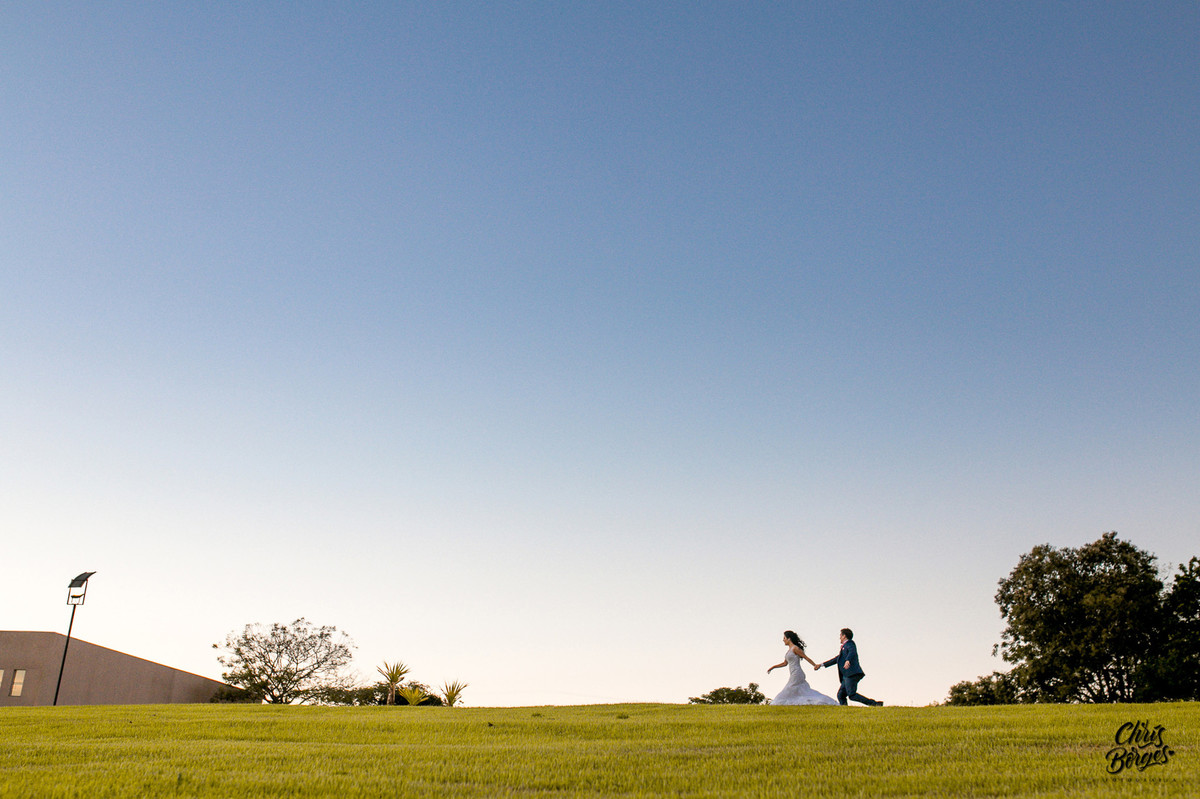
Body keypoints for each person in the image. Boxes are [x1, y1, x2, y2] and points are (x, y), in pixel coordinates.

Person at [814, 627, 883, 706]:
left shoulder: (850, 643)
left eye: (840, 635)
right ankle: (844, 709)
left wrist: (848, 660)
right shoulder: (844, 648)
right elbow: (836, 659)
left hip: (851, 674)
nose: (839, 637)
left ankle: (875, 704)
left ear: (844, 636)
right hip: (847, 675)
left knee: (852, 695)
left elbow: (852, 652)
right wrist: (821, 665)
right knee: (841, 695)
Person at [767, 630, 839, 705]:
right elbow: (785, 663)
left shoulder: (795, 648)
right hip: (793, 673)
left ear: (789, 639)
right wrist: (773, 667)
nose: (783, 640)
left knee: (788, 690)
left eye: (784, 638)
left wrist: (815, 665)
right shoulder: (789, 651)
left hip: (797, 673)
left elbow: (806, 657)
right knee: (801, 692)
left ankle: (825, 701)